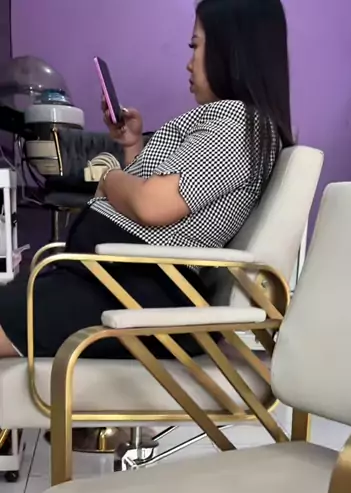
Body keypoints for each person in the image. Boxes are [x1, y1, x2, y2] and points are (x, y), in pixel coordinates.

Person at [0, 0, 293, 362]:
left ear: (231, 50)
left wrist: (108, 178)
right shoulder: (236, 126)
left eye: (195, 46)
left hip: (132, 292)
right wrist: (132, 146)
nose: (189, 62)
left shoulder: (235, 124)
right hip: (118, 282)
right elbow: (161, 203)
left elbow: (150, 205)